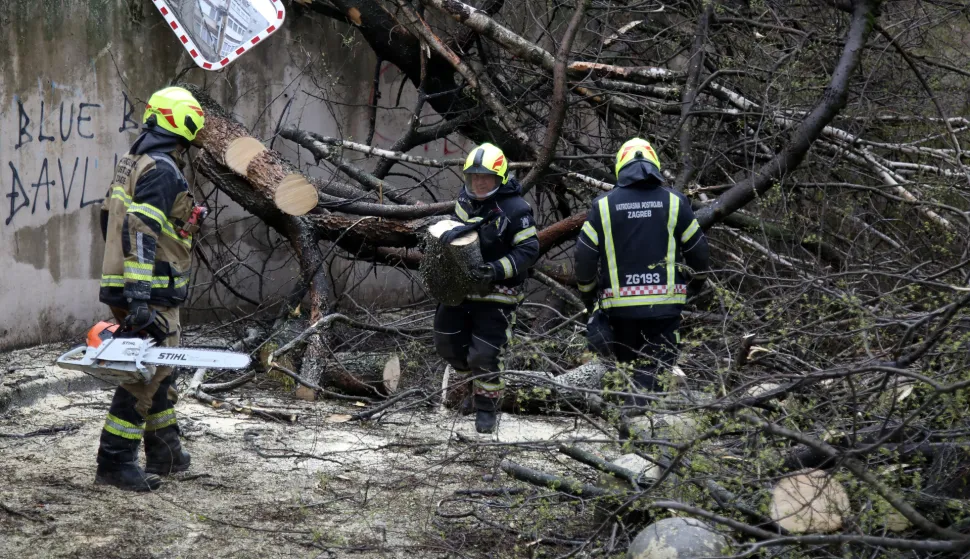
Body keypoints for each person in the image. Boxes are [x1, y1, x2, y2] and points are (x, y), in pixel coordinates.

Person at [95, 86, 206, 491]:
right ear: (184, 124)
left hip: (127, 285)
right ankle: (114, 461)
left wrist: (124, 284)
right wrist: (141, 295)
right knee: (143, 378)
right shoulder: (162, 169)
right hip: (150, 291)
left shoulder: (133, 162)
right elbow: (141, 230)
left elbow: (108, 220)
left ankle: (165, 450)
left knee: (161, 370)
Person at [574, 138, 710, 408]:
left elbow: (584, 257)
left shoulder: (603, 206)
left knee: (626, 372)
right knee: (653, 376)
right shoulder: (675, 202)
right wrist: (696, 284)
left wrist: (588, 296)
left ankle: (627, 417)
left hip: (620, 312)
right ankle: (640, 421)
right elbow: (699, 252)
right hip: (664, 311)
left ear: (620, 167)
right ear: (654, 166)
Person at [433, 143, 539, 433]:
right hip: (461, 290)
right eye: (474, 177)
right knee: (445, 341)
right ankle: (472, 384)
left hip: (498, 295)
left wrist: (495, 269)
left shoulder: (517, 209)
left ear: (500, 178)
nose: (479, 183)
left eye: (486, 177)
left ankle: (486, 408)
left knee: (485, 354)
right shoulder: (464, 201)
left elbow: (529, 250)